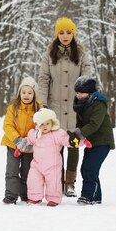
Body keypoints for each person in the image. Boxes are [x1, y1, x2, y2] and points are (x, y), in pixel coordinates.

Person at [37, 17, 92, 197]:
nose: (65, 35)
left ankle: (70, 184)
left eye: (69, 32)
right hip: (55, 108)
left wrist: (84, 100)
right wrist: (42, 104)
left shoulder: (82, 54)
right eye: (61, 32)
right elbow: (44, 79)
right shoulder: (49, 54)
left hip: (76, 108)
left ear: (73, 33)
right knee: (56, 147)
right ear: (57, 34)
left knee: (74, 144)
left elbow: (87, 79)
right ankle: (57, 181)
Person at [69, 75, 115, 205]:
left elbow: (94, 124)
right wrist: (76, 135)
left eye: (82, 92)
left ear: (90, 92)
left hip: (102, 142)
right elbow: (80, 124)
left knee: (90, 169)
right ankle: (96, 197)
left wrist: (79, 133)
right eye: (77, 92)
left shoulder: (99, 104)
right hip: (91, 142)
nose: (78, 95)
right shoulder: (80, 105)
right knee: (87, 169)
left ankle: (87, 196)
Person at [0, 77, 41, 204]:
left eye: (29, 93)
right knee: (12, 169)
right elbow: (7, 125)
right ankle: (11, 195)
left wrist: (30, 140)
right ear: (19, 93)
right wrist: (17, 140)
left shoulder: (39, 108)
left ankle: (25, 194)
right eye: (23, 92)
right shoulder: (13, 107)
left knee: (27, 170)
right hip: (13, 143)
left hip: (29, 146)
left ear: (34, 94)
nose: (26, 95)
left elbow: (40, 126)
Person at [25, 108, 78, 207]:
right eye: (42, 124)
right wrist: (18, 149)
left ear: (52, 123)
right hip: (36, 165)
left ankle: (54, 199)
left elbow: (67, 140)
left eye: (47, 123)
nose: (45, 126)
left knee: (53, 183)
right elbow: (27, 141)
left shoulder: (58, 134)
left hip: (53, 166)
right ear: (37, 124)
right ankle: (34, 198)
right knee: (33, 181)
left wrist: (78, 141)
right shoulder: (35, 134)